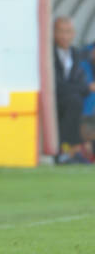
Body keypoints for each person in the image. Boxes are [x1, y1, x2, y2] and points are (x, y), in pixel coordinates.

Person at [53, 16, 89, 163]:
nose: (64, 36)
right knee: (74, 100)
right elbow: (56, 85)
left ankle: (70, 151)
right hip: (55, 99)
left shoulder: (76, 54)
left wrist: (84, 88)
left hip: (72, 100)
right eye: (61, 32)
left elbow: (82, 84)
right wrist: (84, 87)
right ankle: (69, 149)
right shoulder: (49, 54)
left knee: (75, 100)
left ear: (73, 34)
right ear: (54, 33)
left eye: (68, 32)